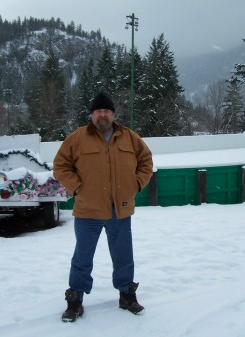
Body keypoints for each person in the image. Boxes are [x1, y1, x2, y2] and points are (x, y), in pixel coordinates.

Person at [53, 92, 153, 323]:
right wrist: (77, 188)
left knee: (123, 256)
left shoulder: (129, 137)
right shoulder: (78, 138)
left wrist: (136, 183)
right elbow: (61, 165)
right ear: (91, 115)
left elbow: (146, 161)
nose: (103, 115)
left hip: (120, 209)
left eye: (107, 111)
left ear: (113, 114)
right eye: (98, 111)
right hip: (89, 210)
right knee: (82, 258)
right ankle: (75, 300)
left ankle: (127, 295)